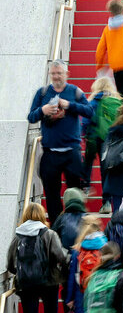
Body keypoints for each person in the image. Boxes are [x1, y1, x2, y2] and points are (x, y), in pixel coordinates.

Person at [28, 60, 94, 222]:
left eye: (60, 73)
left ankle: (76, 226)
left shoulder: (75, 92)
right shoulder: (42, 93)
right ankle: (57, 229)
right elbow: (31, 117)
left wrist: (69, 105)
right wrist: (43, 110)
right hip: (50, 153)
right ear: (50, 74)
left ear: (67, 74)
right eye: (54, 73)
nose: (56, 76)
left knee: (75, 194)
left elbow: (90, 111)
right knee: (51, 195)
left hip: (72, 152)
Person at [6, 203, 67, 313]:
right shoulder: (49, 234)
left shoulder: (17, 237)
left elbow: (10, 264)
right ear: (42, 215)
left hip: (26, 285)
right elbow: (61, 256)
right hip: (48, 282)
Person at [65, 214, 105, 313]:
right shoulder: (104, 246)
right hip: (100, 294)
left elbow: (72, 277)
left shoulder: (77, 250)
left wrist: (70, 298)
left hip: (82, 294)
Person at [83, 77, 123, 212]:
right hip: (110, 140)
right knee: (105, 171)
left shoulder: (93, 101)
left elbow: (85, 120)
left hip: (94, 138)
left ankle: (86, 186)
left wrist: (84, 133)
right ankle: (106, 202)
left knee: (88, 162)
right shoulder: (116, 101)